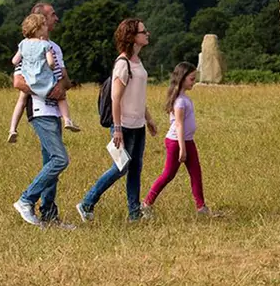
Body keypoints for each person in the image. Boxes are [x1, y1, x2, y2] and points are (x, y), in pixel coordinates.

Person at [77, 18, 157, 223]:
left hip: (138, 124)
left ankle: (134, 213)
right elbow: (116, 98)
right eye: (142, 31)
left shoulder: (138, 62)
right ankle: (87, 203)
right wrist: (118, 128)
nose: (146, 34)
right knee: (121, 167)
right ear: (132, 37)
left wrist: (148, 119)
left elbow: (138, 95)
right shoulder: (122, 64)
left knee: (135, 169)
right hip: (124, 126)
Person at [12, 2, 74, 229]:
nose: (56, 18)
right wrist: (46, 90)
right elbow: (18, 81)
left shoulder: (54, 47)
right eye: (52, 15)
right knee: (60, 159)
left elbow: (65, 80)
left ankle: (49, 216)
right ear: (41, 19)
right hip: (39, 110)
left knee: (51, 163)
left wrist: (61, 86)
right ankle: (26, 199)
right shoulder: (29, 47)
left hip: (54, 110)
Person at [142, 62, 218, 217]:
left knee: (196, 173)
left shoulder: (184, 98)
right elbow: (179, 125)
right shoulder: (180, 101)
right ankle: (146, 204)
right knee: (168, 174)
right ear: (182, 79)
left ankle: (201, 207)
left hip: (187, 141)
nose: (194, 81)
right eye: (191, 79)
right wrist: (182, 148)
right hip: (177, 142)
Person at [9, 14, 80, 142]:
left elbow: (14, 61)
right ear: (38, 29)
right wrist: (53, 69)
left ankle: (13, 128)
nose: (47, 27)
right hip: (44, 84)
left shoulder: (23, 44)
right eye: (44, 25)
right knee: (61, 97)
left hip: (29, 81)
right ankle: (67, 120)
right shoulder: (45, 45)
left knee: (21, 101)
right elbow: (52, 63)